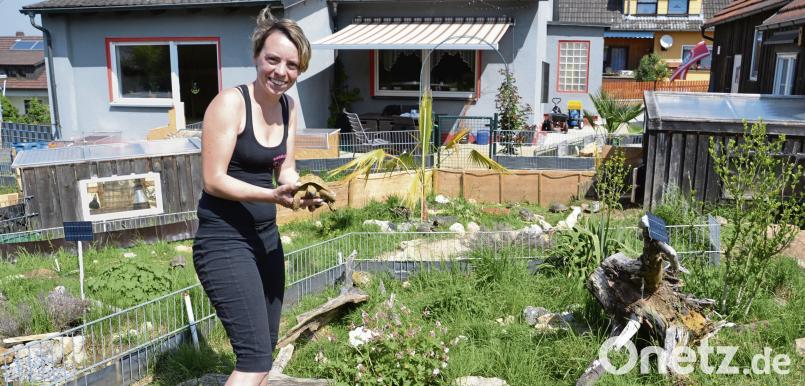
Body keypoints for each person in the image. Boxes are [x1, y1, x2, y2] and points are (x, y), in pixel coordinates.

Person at [192, 8, 321, 386]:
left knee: (264, 351)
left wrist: (299, 188)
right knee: (253, 361)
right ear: (256, 57)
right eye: (273, 60)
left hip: (267, 241)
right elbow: (213, 180)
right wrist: (272, 196)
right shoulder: (230, 104)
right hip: (224, 240)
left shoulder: (288, 107)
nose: (281, 72)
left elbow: (286, 168)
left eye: (292, 65)